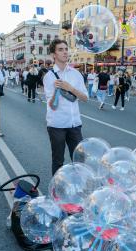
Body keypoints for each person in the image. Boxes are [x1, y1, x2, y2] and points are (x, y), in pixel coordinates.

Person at [43, 39, 88, 175]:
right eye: (60, 49)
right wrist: (57, 90)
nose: (65, 52)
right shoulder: (49, 77)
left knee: (80, 161)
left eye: (66, 49)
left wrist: (70, 88)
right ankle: (57, 193)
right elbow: (52, 106)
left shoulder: (76, 74)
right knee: (58, 161)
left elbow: (85, 98)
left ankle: (79, 189)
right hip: (57, 125)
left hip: (75, 125)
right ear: (54, 55)